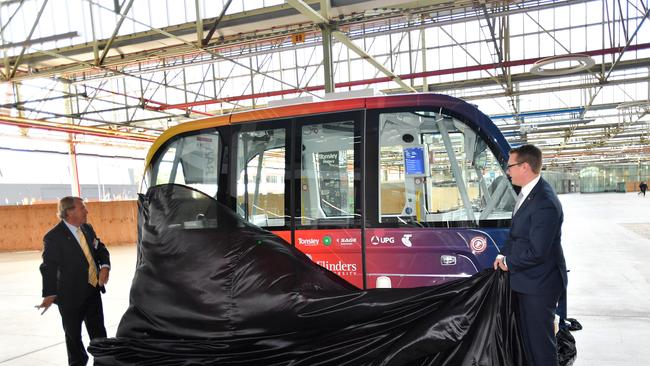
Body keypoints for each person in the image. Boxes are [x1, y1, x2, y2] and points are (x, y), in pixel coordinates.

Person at [493, 144, 567, 366]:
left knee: (540, 346)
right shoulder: (527, 194)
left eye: (510, 166)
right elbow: (517, 235)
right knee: (527, 342)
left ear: (524, 166)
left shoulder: (544, 202)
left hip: (539, 286)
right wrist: (501, 254)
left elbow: (537, 251)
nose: (508, 171)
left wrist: (508, 261)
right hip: (527, 281)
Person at [35, 196, 111, 366]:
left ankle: (103, 361)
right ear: (69, 212)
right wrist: (50, 293)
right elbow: (48, 267)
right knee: (73, 337)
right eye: (82, 207)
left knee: (99, 334)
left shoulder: (87, 228)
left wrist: (104, 266)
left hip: (93, 291)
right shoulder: (53, 237)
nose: (86, 211)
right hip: (70, 297)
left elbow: (100, 249)